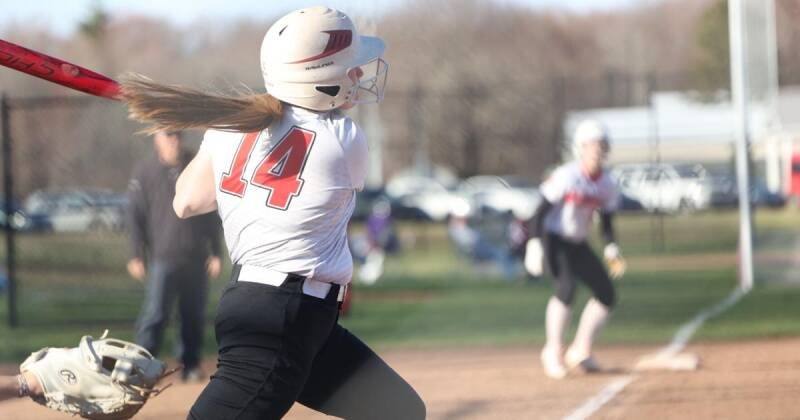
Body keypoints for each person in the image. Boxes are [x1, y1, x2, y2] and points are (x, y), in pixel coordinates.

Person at [120, 6, 425, 419]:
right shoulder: (346, 139)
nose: (357, 77)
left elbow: (186, 200)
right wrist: (232, 127)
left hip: (288, 316)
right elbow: (301, 145)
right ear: (319, 80)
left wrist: (219, 135)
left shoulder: (231, 130)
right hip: (278, 321)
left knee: (398, 411)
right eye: (349, 70)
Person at [524, 119, 623, 379]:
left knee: (606, 293)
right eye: (593, 145)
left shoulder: (606, 183)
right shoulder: (568, 176)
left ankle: (580, 350)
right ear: (581, 147)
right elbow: (538, 212)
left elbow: (607, 219)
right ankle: (553, 351)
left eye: (602, 145)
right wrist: (534, 244)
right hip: (554, 239)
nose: (598, 150)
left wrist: (611, 246)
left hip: (577, 242)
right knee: (566, 288)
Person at [127, 129, 223, 382]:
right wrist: (136, 254)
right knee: (156, 314)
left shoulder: (196, 166)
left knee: (192, 315)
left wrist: (216, 252)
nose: (174, 140)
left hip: (195, 257)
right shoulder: (145, 171)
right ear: (157, 139)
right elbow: (135, 217)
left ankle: (189, 365)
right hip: (163, 258)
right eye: (168, 135)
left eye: (177, 135)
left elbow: (212, 211)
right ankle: (141, 366)